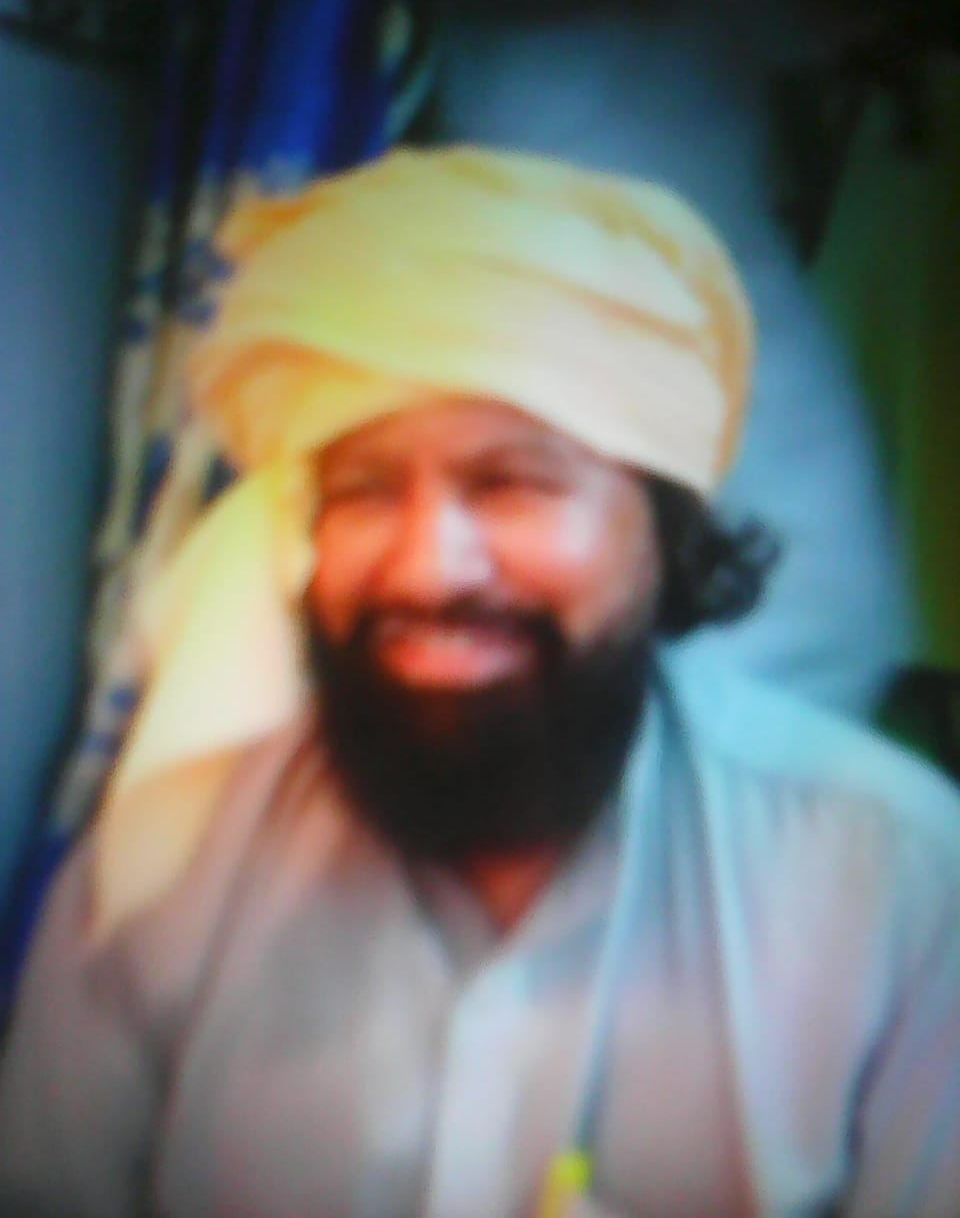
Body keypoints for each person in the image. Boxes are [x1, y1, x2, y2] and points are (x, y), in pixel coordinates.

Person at [1, 147, 958, 1218]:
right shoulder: (167, 869)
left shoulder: (894, 882)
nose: (428, 569)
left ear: (666, 532)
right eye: (365, 489)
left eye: (511, 482)